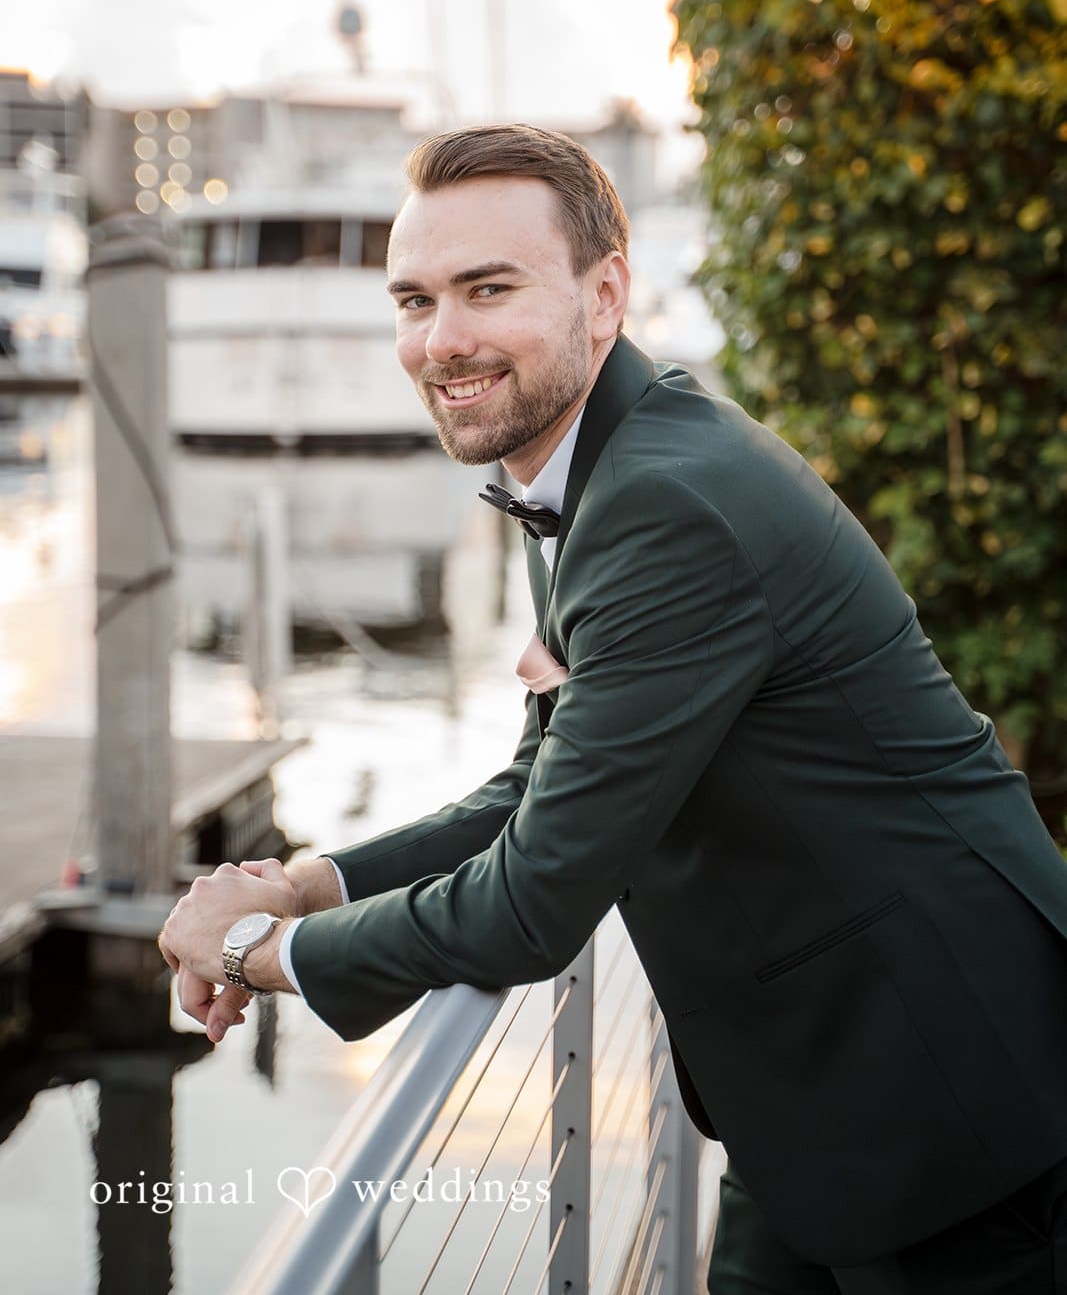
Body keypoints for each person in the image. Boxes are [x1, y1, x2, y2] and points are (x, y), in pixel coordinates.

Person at [160, 125, 1067, 1293]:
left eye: (488, 288)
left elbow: (531, 904)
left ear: (605, 295)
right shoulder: (593, 471)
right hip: (806, 1103)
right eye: (413, 300)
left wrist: (253, 947)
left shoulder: (663, 505)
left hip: (956, 1106)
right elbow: (534, 789)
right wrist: (309, 880)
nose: (441, 340)